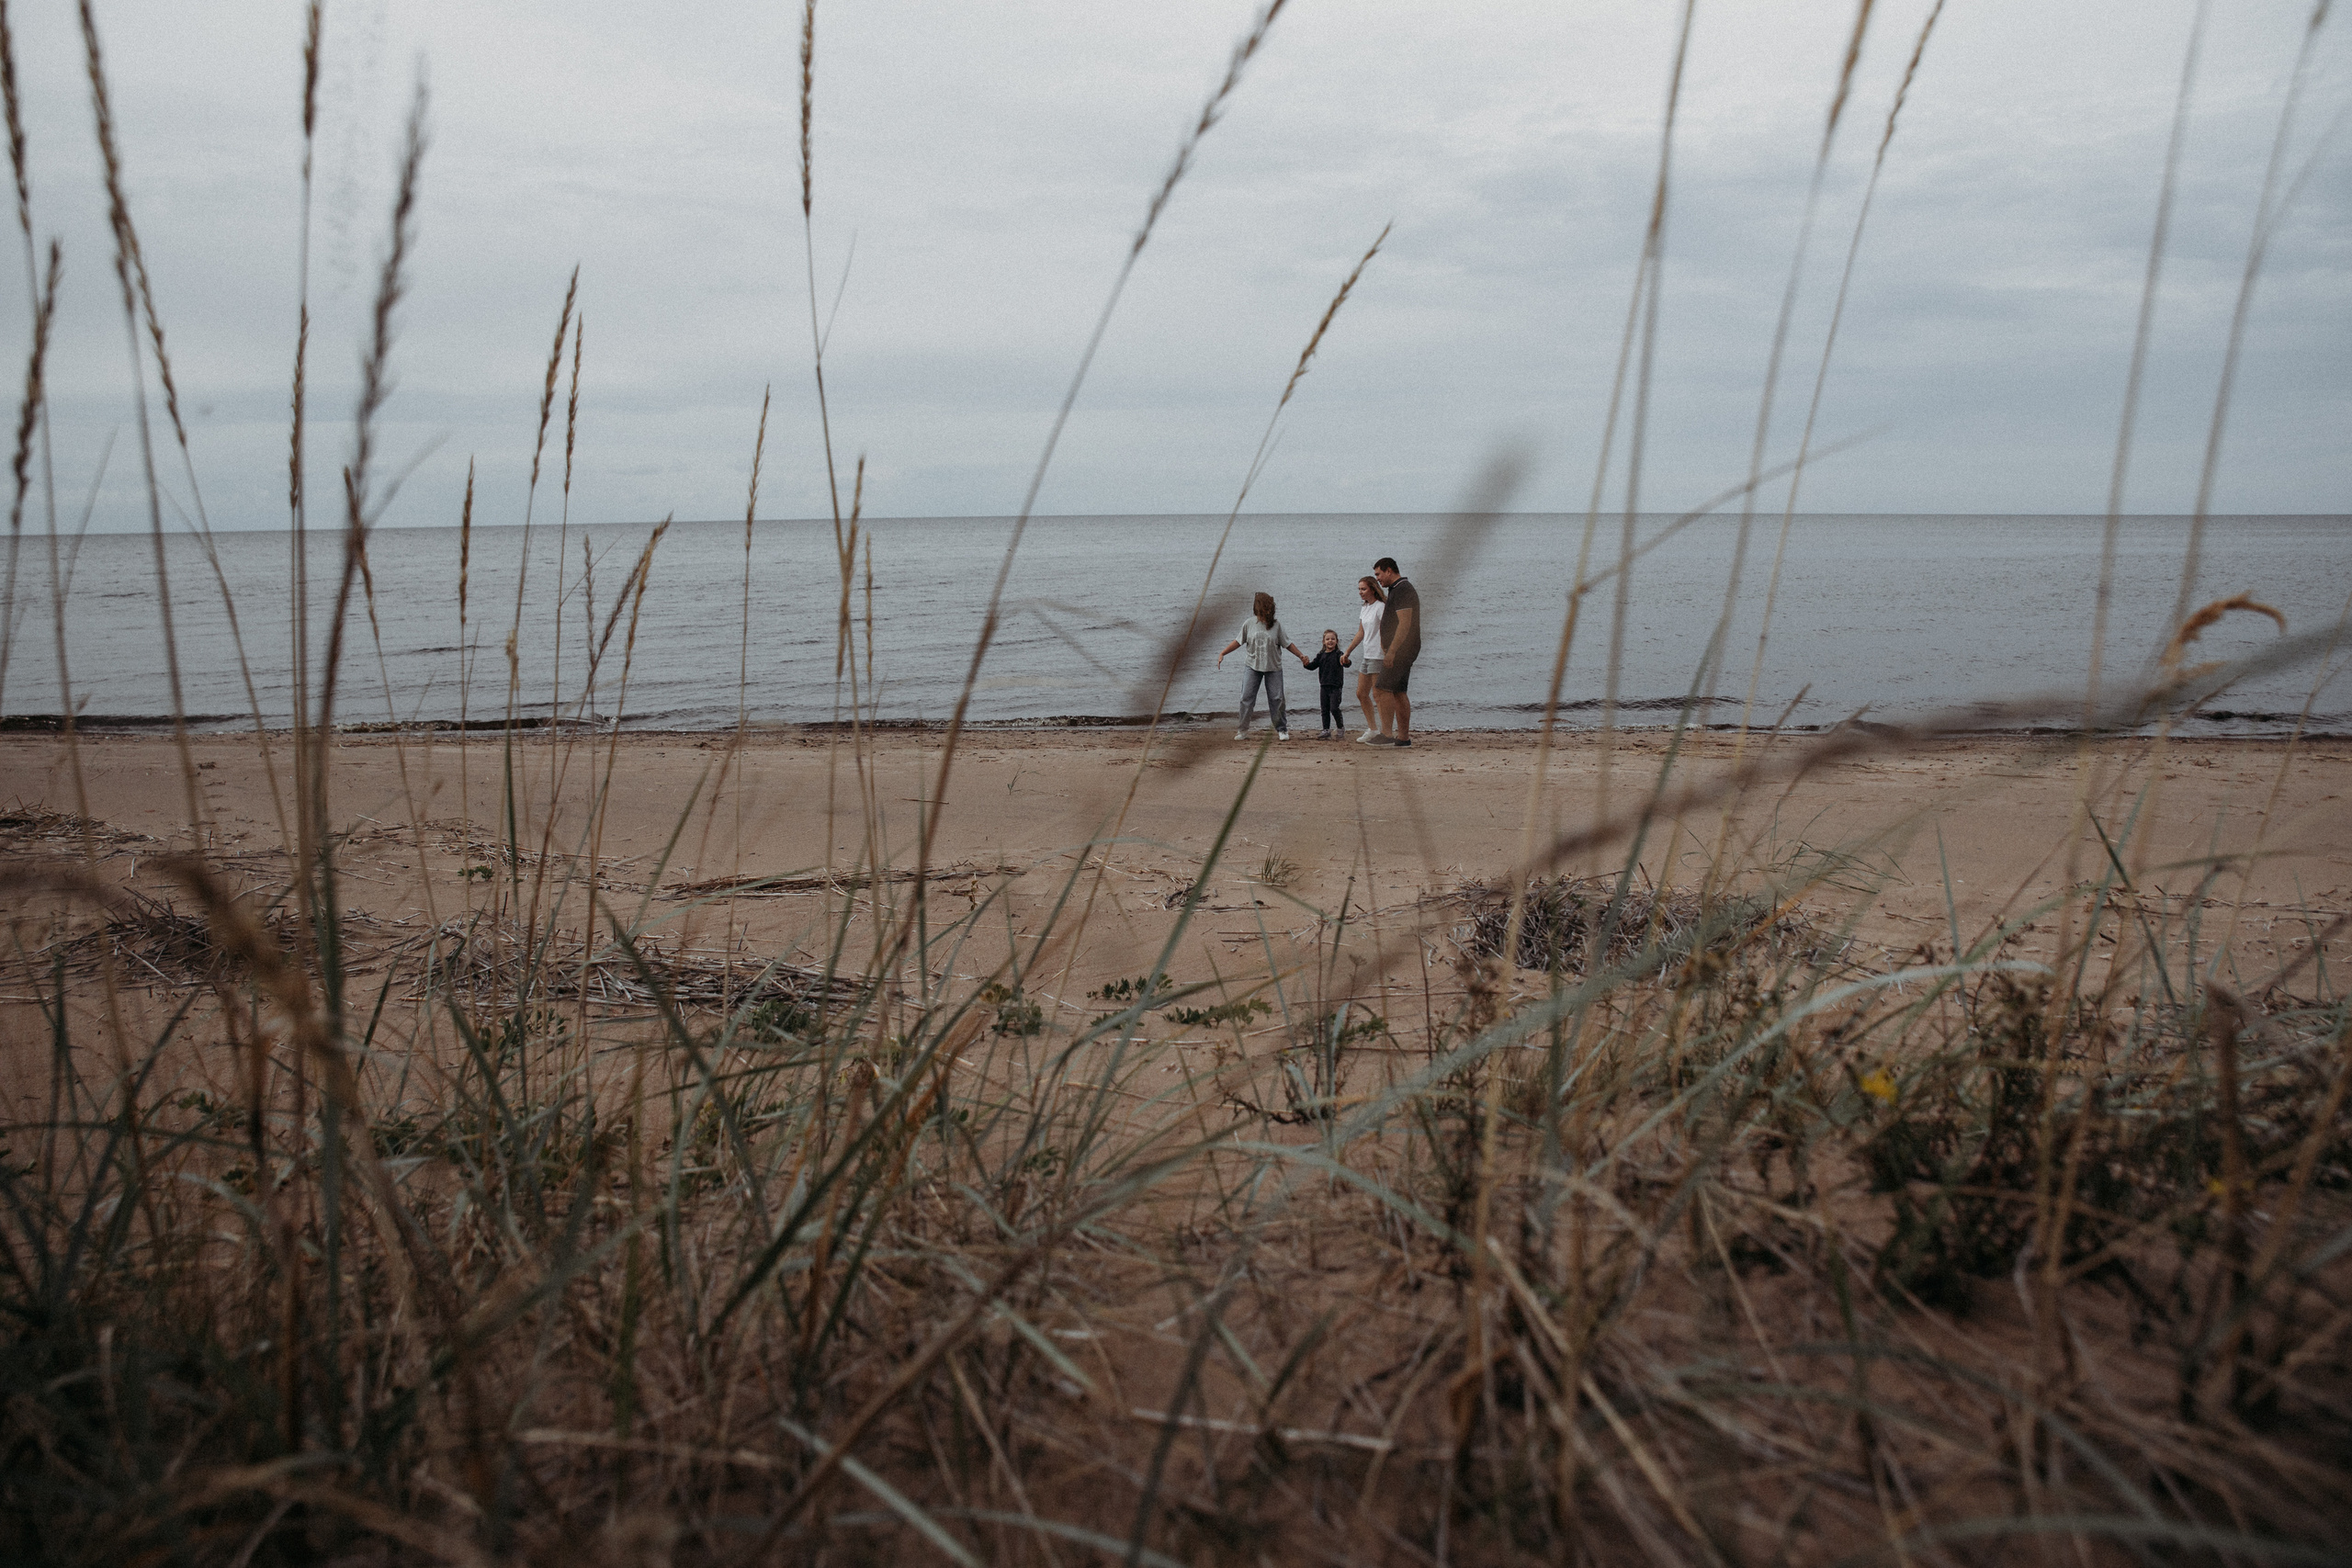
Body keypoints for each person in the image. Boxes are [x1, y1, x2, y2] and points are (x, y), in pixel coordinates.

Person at [1216, 592, 1307, 741]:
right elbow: (1238, 641)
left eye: (1268, 608)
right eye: (1263, 609)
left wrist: (1301, 656)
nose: (1266, 612)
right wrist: (1223, 653)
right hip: (1252, 666)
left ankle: (1282, 729)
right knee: (1246, 697)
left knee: (1277, 699)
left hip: (1273, 667)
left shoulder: (1276, 626)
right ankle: (1243, 731)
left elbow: (1287, 644)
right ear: (1257, 609)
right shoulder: (1249, 623)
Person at [1371, 557, 1419, 747]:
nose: (1378, 579)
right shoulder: (1396, 589)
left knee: (1382, 688)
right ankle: (1403, 738)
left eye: (1379, 574)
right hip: (1402, 648)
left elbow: (1405, 624)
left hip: (1402, 649)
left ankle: (1387, 734)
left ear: (1389, 571)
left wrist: (1391, 651)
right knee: (1399, 691)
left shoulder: (1404, 589)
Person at [1340, 574, 1388, 742]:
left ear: (1373, 589)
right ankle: (1373, 729)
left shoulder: (1381, 607)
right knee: (1361, 693)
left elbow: (1386, 632)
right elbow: (1361, 633)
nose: (1360, 592)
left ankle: (1385, 732)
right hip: (1367, 655)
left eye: (1363, 589)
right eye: (1359, 589)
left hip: (1378, 656)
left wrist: (1388, 652)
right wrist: (1347, 652)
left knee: (1378, 695)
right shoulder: (1365, 607)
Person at [1300, 629, 1351, 738]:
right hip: (1324, 686)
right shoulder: (1321, 655)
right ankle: (1326, 730)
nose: (1330, 641)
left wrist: (1346, 660)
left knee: (1334, 708)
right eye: (1327, 639)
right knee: (1324, 709)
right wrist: (1305, 664)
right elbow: (1312, 666)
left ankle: (1340, 727)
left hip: (1336, 686)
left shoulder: (1339, 654)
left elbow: (1347, 664)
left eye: (1333, 639)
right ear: (1324, 642)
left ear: (1337, 641)